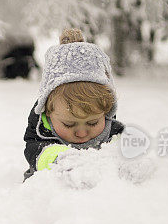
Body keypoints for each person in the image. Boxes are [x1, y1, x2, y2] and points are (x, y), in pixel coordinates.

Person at [23, 28, 125, 180]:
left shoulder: (113, 133)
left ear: (106, 111)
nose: (82, 133)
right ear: (48, 111)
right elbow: (34, 152)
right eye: (69, 124)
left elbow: (124, 151)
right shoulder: (42, 133)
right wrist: (58, 159)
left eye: (92, 122)